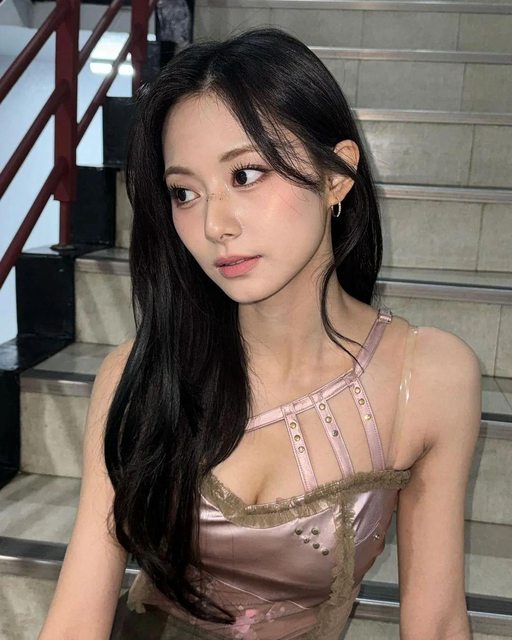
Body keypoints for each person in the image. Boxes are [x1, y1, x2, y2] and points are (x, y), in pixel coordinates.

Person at [38, 26, 482, 640]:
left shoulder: (427, 377)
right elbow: (77, 617)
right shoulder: (138, 374)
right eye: (184, 192)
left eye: (245, 175)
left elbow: (436, 622)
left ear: (337, 176)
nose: (214, 224)